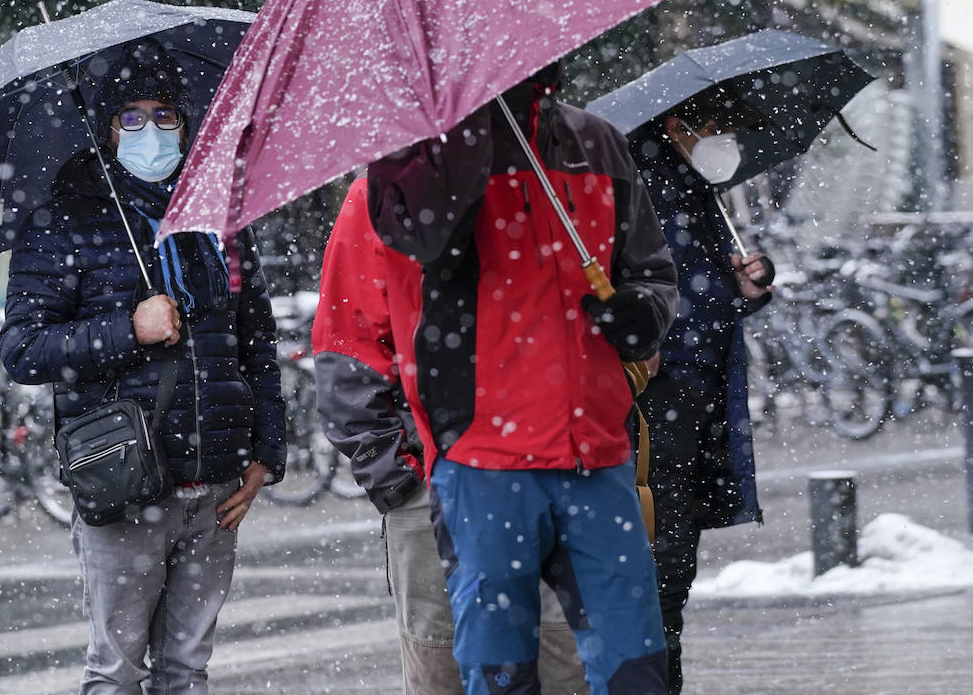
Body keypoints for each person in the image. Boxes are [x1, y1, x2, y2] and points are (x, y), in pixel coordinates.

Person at [363, 62, 680, 694]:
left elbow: (650, 269)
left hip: (596, 453)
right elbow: (415, 240)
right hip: (484, 460)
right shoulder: (416, 150)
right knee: (498, 667)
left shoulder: (597, 142)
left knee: (636, 665)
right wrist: (461, 144)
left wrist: (641, 312)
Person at [0, 48, 287, 694]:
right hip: (125, 482)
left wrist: (267, 453)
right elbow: (24, 349)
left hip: (213, 487)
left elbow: (257, 342)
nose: (150, 131)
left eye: (164, 116)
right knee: (116, 674)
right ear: (105, 128)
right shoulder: (62, 222)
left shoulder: (218, 219)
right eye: (130, 118)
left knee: (188, 672)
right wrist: (127, 330)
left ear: (187, 125)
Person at [313, 175, 589, 695]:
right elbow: (348, 346)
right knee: (444, 667)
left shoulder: (556, 176)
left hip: (554, 473)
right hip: (435, 481)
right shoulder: (382, 191)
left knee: (564, 665)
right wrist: (396, 472)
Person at [626, 89, 774, 694]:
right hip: (659, 399)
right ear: (675, 122)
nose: (723, 137)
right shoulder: (640, 185)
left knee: (671, 567)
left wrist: (745, 290)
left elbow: (697, 286)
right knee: (657, 566)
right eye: (715, 124)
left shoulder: (691, 185)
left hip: (695, 396)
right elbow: (648, 294)